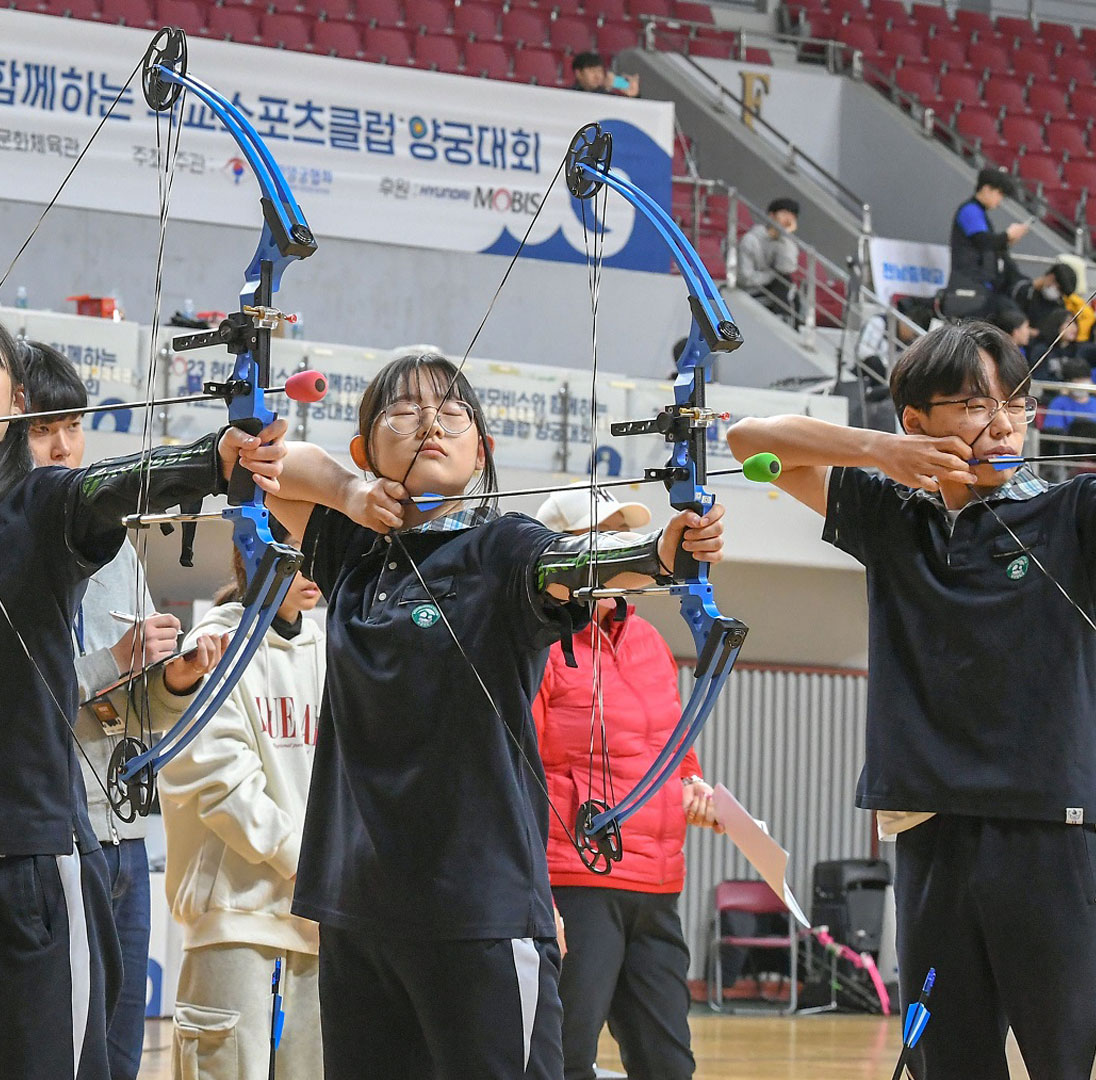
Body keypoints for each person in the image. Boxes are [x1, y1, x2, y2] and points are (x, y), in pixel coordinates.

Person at [0, 298, 276, 1080]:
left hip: (29, 866)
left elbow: (122, 483)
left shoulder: (44, 503)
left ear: (17, 402)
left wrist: (221, 457)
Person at [261, 352, 725, 1078]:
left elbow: (572, 566)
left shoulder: (504, 548)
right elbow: (273, 466)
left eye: (452, 414)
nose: (430, 425)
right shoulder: (351, 550)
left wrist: (661, 554)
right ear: (365, 448)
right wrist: (352, 493)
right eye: (404, 411)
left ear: (482, 450)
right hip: (357, 910)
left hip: (478, 910)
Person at [728, 321, 1096, 1080]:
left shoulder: (1070, 515)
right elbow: (747, 441)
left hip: (1050, 832)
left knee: (1065, 1057)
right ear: (918, 423)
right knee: (948, 1060)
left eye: (1016, 406)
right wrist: (880, 453)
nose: (1001, 423)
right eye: (972, 404)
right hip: (931, 829)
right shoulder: (890, 516)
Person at [20, 341, 206, 1080]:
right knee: (57, 1053)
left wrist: (176, 679)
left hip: (126, 839)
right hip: (47, 843)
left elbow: (134, 710)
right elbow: (5, 700)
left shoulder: (122, 552)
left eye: (74, 425)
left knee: (120, 1060)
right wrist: (115, 662)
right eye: (43, 428)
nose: (65, 446)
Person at [529, 486, 722, 1080]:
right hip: (575, 884)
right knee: (565, 1056)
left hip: (657, 885)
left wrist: (694, 786)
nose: (617, 549)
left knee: (669, 1064)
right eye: (600, 536)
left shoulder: (648, 642)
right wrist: (535, 895)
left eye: (620, 534)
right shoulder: (537, 645)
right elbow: (518, 772)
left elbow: (673, 746)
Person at [159, 535, 327, 1080]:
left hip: (318, 922)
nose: (315, 564)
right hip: (235, 922)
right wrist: (308, 863)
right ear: (253, 550)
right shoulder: (213, 643)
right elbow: (218, 780)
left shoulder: (328, 645)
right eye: (302, 547)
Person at [944, 168, 1028, 318]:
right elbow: (983, 241)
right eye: (999, 194)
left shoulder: (980, 213)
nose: (1000, 200)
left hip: (983, 284)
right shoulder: (970, 210)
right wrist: (1008, 235)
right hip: (969, 283)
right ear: (986, 189)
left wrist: (1007, 241)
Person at [736, 198, 801, 324]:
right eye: (784, 215)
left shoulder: (785, 242)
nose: (787, 221)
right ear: (771, 216)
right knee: (783, 283)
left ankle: (786, 319)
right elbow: (745, 278)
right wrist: (772, 276)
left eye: (792, 217)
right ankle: (784, 317)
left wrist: (785, 237)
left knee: (787, 284)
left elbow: (788, 268)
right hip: (751, 291)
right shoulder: (750, 240)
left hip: (773, 292)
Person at [571, 52, 640, 97]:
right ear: (578, 73)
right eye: (592, 71)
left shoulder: (611, 97)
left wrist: (634, 96)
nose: (597, 76)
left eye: (600, 71)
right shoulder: (568, 94)